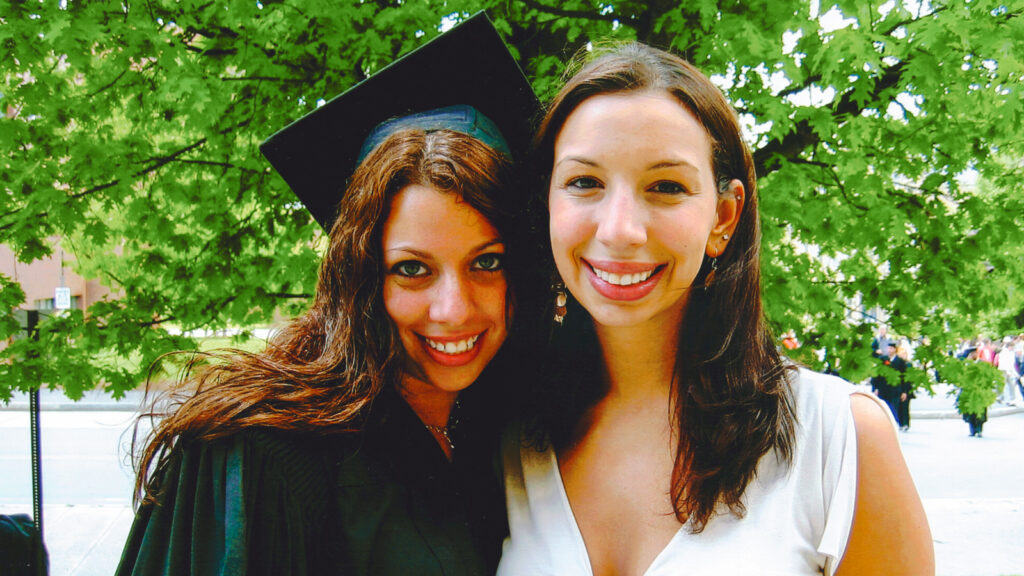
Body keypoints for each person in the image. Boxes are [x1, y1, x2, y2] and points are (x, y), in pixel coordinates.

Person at [116, 14, 539, 576]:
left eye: (488, 262)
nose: (454, 308)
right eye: (411, 269)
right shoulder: (262, 454)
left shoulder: (508, 432)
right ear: (359, 275)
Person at [499, 43, 933, 575]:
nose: (619, 229)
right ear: (548, 202)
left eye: (665, 186)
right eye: (584, 182)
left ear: (724, 217)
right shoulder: (510, 437)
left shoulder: (836, 438)